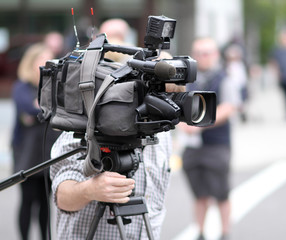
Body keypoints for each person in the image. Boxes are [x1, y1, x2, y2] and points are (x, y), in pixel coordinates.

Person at [49, 18, 184, 239]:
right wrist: (90, 190)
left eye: (170, 93)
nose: (168, 103)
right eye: (160, 92)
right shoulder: (95, 117)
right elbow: (62, 196)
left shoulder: (162, 128)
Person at [179, 37, 239, 240]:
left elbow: (229, 107)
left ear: (215, 55)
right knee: (199, 193)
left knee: (221, 191)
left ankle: (225, 232)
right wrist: (183, 125)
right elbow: (175, 106)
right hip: (192, 147)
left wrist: (200, 124)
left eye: (207, 53)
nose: (203, 57)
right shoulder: (187, 79)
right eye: (199, 53)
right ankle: (200, 231)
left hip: (216, 144)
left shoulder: (224, 78)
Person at [11, 43, 61, 240]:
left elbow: (49, 110)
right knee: (27, 201)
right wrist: (44, 110)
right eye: (43, 61)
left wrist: (41, 109)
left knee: (45, 203)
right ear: (32, 64)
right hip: (27, 153)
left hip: (49, 151)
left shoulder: (52, 86)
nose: (48, 65)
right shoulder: (21, 86)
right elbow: (30, 109)